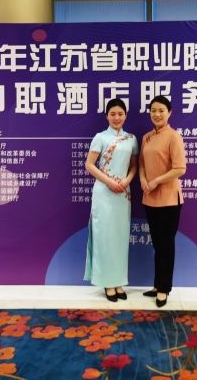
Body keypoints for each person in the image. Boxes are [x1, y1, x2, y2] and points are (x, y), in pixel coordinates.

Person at [84, 99, 139, 301]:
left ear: (125, 116)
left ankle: (118, 281)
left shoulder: (131, 139)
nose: (117, 118)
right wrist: (109, 182)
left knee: (120, 237)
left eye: (120, 114)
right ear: (107, 116)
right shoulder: (100, 137)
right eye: (113, 114)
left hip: (123, 192)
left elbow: (134, 166)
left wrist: (126, 181)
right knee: (104, 237)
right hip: (104, 193)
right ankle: (107, 283)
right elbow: (90, 165)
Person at [139, 95, 186, 307]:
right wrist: (143, 180)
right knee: (157, 244)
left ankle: (164, 289)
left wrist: (156, 180)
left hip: (169, 199)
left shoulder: (174, 136)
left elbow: (180, 168)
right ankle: (157, 285)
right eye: (153, 110)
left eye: (161, 110)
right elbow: (141, 164)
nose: (156, 114)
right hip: (149, 196)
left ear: (169, 113)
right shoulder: (147, 137)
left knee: (166, 245)